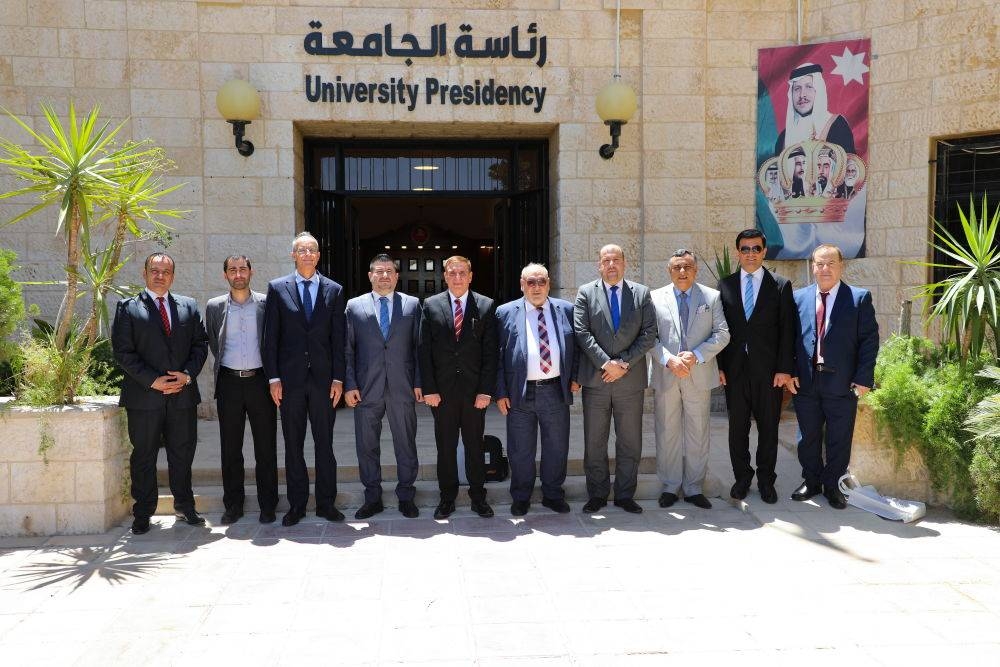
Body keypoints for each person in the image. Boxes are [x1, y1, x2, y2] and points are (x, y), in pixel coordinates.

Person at [112, 252, 209, 535]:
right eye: (154, 270)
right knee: (144, 456)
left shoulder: (188, 306)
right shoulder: (128, 308)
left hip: (182, 396)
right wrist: (153, 381)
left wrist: (187, 375)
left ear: (173, 276)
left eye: (165, 271)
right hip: (144, 397)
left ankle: (185, 506)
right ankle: (143, 512)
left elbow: (200, 344)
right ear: (144, 274)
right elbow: (123, 352)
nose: (160, 275)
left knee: (183, 454)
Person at [263, 232, 346, 527]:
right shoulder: (277, 288)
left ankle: (326, 504)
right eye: (302, 250)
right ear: (293, 255)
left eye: (312, 250)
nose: (308, 254)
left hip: (324, 381)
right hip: (290, 381)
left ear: (318, 255)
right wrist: (273, 378)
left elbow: (339, 339)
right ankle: (297, 505)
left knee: (325, 444)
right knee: (293, 445)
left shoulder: (334, 290)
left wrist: (338, 379)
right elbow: (270, 337)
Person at [787, 244, 879, 509]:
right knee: (808, 437)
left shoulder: (858, 298)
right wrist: (790, 372)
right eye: (820, 264)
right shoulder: (798, 298)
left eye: (830, 263)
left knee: (839, 437)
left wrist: (863, 378)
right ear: (812, 267)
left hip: (843, 382)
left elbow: (869, 340)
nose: (825, 269)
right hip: (806, 381)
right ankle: (811, 481)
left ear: (841, 266)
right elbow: (789, 339)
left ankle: (833, 485)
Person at [573, 244, 657, 514]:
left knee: (630, 441)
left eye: (616, 260)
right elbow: (582, 332)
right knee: (594, 441)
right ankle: (597, 494)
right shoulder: (586, 293)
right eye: (606, 260)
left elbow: (649, 333)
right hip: (597, 380)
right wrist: (606, 363)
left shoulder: (641, 293)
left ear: (624, 263)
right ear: (599, 265)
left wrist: (623, 363)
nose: (611, 264)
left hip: (629, 381)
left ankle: (624, 494)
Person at [717, 230, 797, 504]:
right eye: (745, 249)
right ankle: (742, 479)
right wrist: (719, 366)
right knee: (737, 430)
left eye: (755, 248)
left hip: (770, 373)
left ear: (764, 252)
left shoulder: (781, 285)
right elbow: (719, 329)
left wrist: (784, 369)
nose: (750, 254)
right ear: (737, 253)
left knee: (769, 429)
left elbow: (788, 330)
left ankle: (766, 481)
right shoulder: (725, 285)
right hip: (735, 372)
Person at [495, 263, 581, 516]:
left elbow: (577, 348)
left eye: (541, 281)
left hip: (555, 390)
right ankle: (521, 496)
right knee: (520, 449)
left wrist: (575, 377)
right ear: (522, 285)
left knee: (556, 446)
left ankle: (553, 494)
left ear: (549, 284)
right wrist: (500, 392)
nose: (536, 287)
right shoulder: (504, 312)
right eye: (530, 282)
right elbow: (496, 356)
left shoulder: (566, 310)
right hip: (519, 392)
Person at [648, 250, 730, 510]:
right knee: (667, 431)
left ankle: (694, 487)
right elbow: (649, 336)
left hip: (698, 372)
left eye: (687, 267)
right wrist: (669, 360)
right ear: (669, 271)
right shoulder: (654, 298)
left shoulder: (711, 297)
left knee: (698, 431)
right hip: (667, 372)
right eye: (677, 267)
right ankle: (670, 486)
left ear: (696, 270)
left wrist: (696, 356)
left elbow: (722, 333)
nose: (682, 272)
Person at [418, 255, 498, 519]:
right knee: (446, 447)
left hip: (475, 393)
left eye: (462, 272)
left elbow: (490, 354)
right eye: (452, 273)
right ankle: (447, 498)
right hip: (442, 393)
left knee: (475, 446)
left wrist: (486, 390)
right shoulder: (430, 305)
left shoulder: (485, 305)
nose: (457, 277)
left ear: (471, 276)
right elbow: (424, 351)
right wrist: (429, 389)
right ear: (445, 276)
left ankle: (478, 498)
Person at [344, 254, 422, 520]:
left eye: (389, 271)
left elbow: (419, 348)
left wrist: (419, 382)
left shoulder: (412, 305)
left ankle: (406, 496)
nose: (384, 276)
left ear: (397, 276)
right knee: (366, 446)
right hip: (366, 388)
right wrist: (350, 384)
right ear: (370, 276)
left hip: (402, 386)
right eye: (379, 271)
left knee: (406, 443)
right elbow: (347, 349)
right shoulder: (354, 306)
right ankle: (372, 497)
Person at [205, 255, 278, 525]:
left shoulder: (266, 303)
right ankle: (233, 505)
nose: (238, 274)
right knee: (230, 448)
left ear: (251, 272)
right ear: (225, 274)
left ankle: (268, 504)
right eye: (233, 270)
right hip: (229, 383)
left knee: (266, 447)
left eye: (243, 269)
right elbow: (215, 343)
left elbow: (273, 340)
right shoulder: (214, 306)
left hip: (261, 382)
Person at [774, 62, 856, 155]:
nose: (802, 95)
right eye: (797, 88)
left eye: (809, 87)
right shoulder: (783, 137)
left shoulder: (837, 125)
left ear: (819, 91)